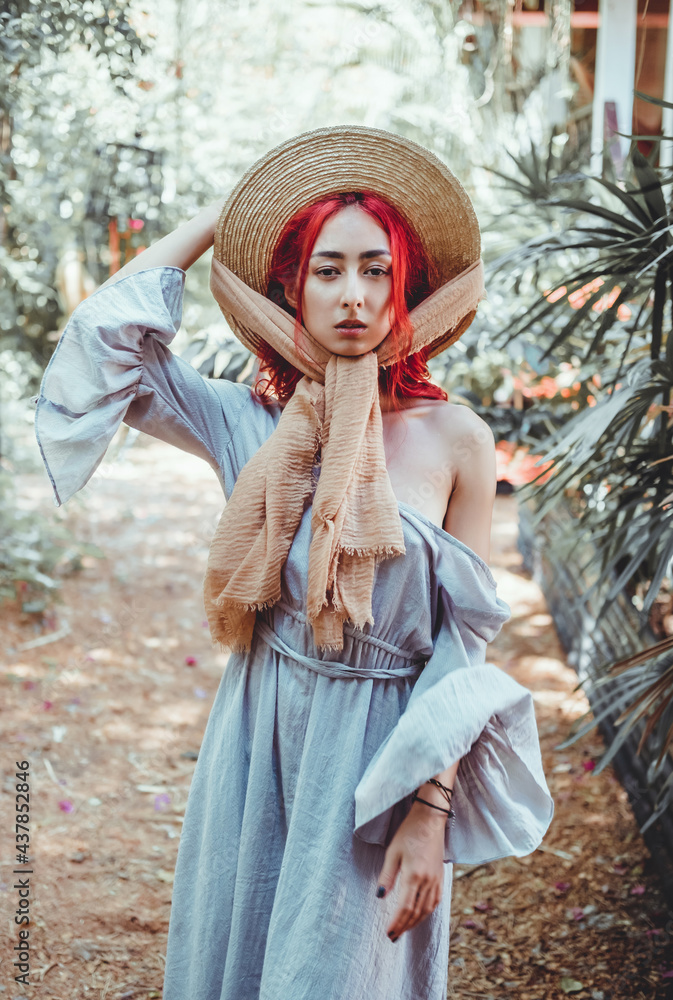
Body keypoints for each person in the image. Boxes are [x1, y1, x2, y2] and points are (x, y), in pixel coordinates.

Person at [34, 125, 554, 1000]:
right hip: (257, 737)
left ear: (407, 289)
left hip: (381, 762)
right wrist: (219, 217)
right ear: (290, 287)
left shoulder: (458, 439)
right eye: (326, 269)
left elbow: (465, 650)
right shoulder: (244, 421)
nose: (352, 296)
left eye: (375, 269)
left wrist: (428, 815)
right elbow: (103, 345)